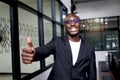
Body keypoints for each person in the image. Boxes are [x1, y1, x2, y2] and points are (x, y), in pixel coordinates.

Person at [22, 13, 97, 80]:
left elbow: (92, 74)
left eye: (76, 21)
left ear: (80, 25)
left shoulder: (89, 48)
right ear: (65, 26)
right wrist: (34, 54)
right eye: (69, 22)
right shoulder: (57, 42)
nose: (73, 24)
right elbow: (45, 49)